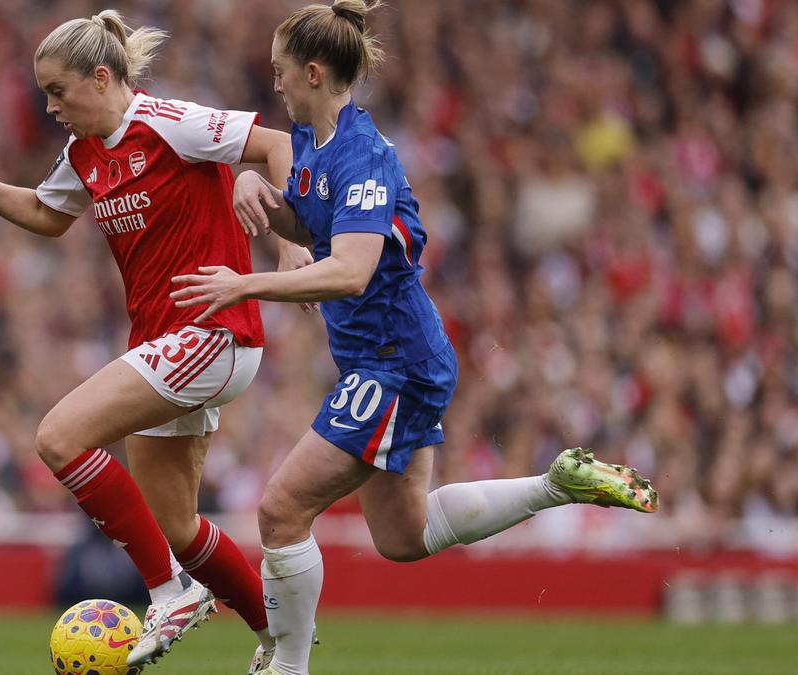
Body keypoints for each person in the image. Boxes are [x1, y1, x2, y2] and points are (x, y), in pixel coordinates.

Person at [170, 2, 660, 673]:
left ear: (313, 72)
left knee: (281, 511)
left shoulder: (363, 156)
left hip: (394, 362)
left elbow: (351, 270)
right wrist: (254, 185)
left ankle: (286, 667)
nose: (274, 81)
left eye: (281, 70)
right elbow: (313, 227)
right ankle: (557, 483)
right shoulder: (312, 140)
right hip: (381, 360)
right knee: (403, 535)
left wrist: (244, 285)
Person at [0, 10, 311, 671]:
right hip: (166, 342)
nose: (50, 108)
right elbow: (47, 213)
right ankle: (281, 644)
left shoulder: (171, 123)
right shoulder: (84, 153)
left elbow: (276, 143)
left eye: (58, 91)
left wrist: (292, 235)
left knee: (58, 437)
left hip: (213, 331)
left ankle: (169, 593)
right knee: (178, 527)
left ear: (101, 79)